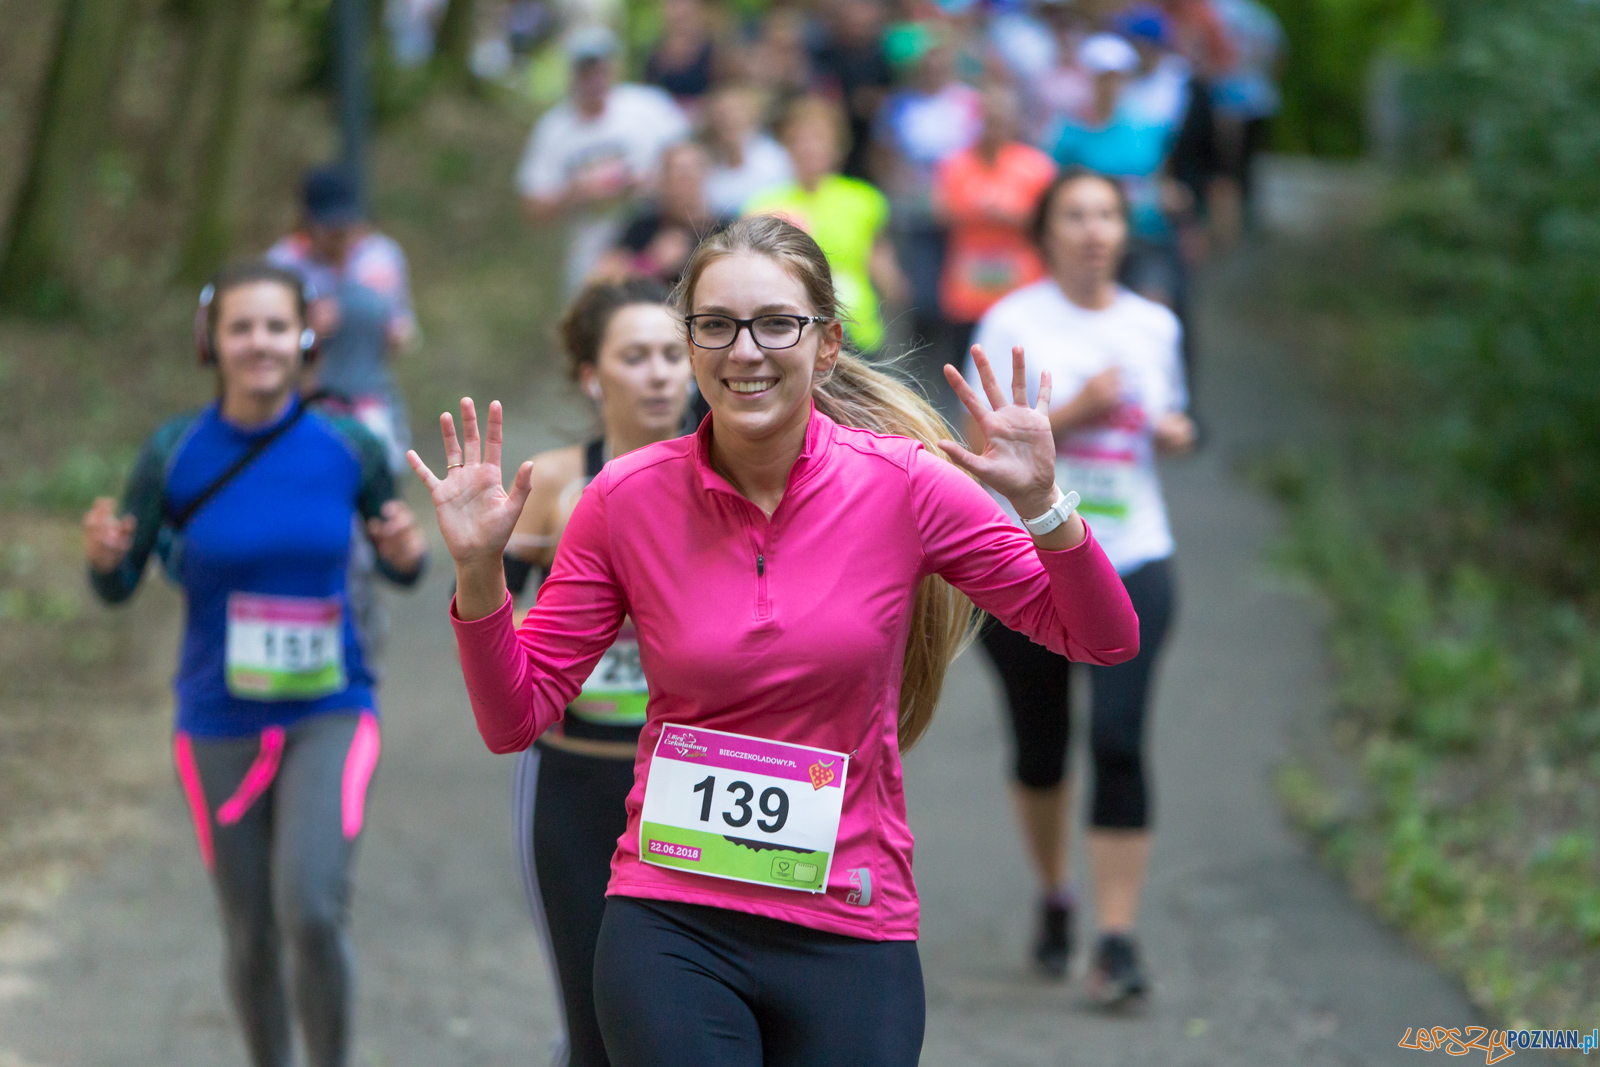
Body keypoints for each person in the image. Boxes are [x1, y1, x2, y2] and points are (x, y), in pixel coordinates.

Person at [409, 214, 1140, 1065]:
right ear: (691, 346)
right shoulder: (625, 499)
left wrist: (1047, 508)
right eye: (715, 325)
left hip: (848, 919)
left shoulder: (905, 486)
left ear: (825, 344)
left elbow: (1102, 637)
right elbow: (515, 718)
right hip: (672, 918)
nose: (744, 350)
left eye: (775, 324)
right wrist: (478, 575)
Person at [82, 261, 428, 1067]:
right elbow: (119, 583)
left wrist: (408, 552)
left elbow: (401, 563)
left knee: (309, 905)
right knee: (249, 928)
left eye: (276, 326)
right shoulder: (174, 452)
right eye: (242, 327)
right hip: (217, 718)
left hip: (332, 708)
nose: (260, 343)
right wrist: (104, 558)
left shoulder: (349, 445)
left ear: (305, 336)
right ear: (213, 341)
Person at [964, 169, 1194, 1004]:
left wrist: (1172, 429)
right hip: (1025, 563)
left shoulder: (1154, 324)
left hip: (1133, 554)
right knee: (1040, 744)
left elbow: (1168, 418)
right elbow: (977, 444)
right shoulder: (1012, 320)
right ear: (1046, 231)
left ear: (1124, 232)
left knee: (1121, 742)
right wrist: (1078, 415)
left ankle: (1118, 937)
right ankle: (1057, 894)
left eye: (1107, 215)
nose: (1094, 229)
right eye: (1076, 215)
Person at [503, 278, 693, 1067]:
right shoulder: (551, 483)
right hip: (575, 778)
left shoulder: (719, 474)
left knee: (679, 1013)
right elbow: (484, 621)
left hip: (691, 778)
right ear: (593, 375)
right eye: (635, 356)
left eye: (673, 354)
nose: (657, 373)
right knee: (591, 1019)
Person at [516, 25, 691, 294]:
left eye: (601, 67)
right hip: (590, 255)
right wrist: (577, 193)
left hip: (652, 246)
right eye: (585, 70)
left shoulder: (648, 107)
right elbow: (533, 209)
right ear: (572, 73)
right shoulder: (553, 129)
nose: (594, 78)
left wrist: (648, 182)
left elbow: (692, 161)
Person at [268, 165, 419, 473]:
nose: (339, 236)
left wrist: (391, 332)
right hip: (305, 402)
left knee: (381, 482)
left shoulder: (381, 256)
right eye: (329, 227)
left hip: (370, 397)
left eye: (346, 223)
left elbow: (404, 331)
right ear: (306, 223)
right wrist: (307, 329)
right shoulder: (283, 265)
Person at [745, 96, 907, 354]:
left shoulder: (864, 199)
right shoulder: (762, 205)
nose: (809, 148)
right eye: (800, 140)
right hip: (791, 331)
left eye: (819, 140)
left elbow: (879, 259)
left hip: (855, 326)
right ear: (787, 147)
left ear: (837, 147)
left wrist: (897, 291)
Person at [931, 84, 1056, 392]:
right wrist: (976, 211)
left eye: (1001, 117)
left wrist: (1010, 215)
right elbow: (939, 213)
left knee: (1022, 375)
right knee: (969, 377)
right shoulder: (955, 165)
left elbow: (1049, 221)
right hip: (968, 288)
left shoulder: (1036, 166)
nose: (994, 124)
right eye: (987, 117)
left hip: (1022, 285)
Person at [593, 142, 729, 286]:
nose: (680, 186)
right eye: (671, 175)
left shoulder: (724, 231)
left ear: (704, 177)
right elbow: (602, 279)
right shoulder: (642, 228)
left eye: (686, 175)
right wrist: (651, 263)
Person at [810, 0, 895, 180]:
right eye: (852, 21)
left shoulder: (880, 56)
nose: (857, 27)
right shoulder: (827, 53)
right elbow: (822, 89)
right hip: (838, 125)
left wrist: (874, 101)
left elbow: (891, 92)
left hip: (872, 133)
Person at [701, 83, 796, 217]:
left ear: (752, 116)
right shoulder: (704, 160)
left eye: (736, 112)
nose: (729, 119)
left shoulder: (774, 159)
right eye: (723, 113)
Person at [644, 0, 722, 113]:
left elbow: (723, 91)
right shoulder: (656, 52)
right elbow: (648, 92)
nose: (679, 10)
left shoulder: (714, 50)